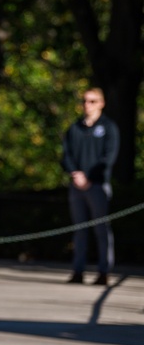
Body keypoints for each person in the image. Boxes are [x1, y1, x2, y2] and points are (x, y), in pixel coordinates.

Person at [61, 87, 119, 286]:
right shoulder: (75, 128)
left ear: (101, 103)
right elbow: (66, 155)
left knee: (101, 229)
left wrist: (90, 178)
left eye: (92, 101)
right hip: (76, 186)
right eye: (85, 101)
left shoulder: (109, 128)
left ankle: (104, 271)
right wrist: (75, 174)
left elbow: (108, 158)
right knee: (79, 230)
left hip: (98, 186)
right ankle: (78, 271)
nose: (87, 105)